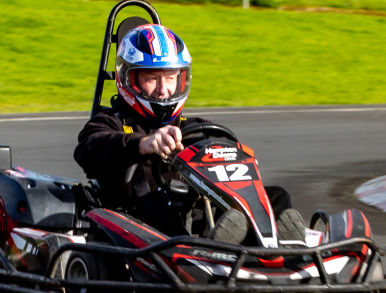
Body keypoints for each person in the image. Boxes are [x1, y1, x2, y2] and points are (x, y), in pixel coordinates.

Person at [74, 23, 302, 240]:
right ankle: (216, 249)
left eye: (170, 78)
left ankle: (283, 251)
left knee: (275, 196)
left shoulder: (194, 128)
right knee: (164, 208)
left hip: (197, 212)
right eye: (152, 78)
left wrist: (240, 161)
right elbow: (89, 149)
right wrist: (144, 144)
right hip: (139, 219)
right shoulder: (110, 123)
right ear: (128, 78)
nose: (163, 90)